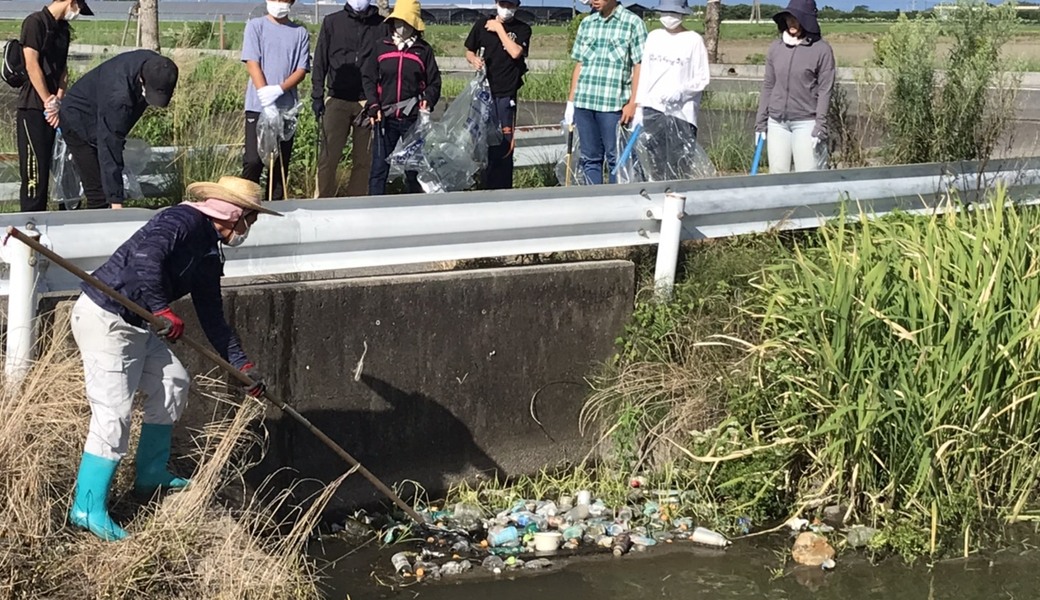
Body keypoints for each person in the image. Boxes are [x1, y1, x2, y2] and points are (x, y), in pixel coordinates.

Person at [68, 176, 278, 542]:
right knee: (113, 414)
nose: (250, 228)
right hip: (106, 317)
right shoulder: (180, 220)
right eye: (251, 219)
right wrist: (163, 310)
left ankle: (150, 473)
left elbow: (213, 316)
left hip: (136, 324)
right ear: (234, 214)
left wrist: (244, 369)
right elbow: (146, 257)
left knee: (173, 381)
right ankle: (87, 506)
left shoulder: (210, 252)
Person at [59, 50, 178, 210]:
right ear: (142, 80)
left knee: (108, 174)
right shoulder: (119, 97)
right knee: (99, 193)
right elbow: (109, 145)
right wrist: (116, 202)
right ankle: (97, 228)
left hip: (103, 109)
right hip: (77, 120)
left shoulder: (155, 65)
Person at [362, 0, 441, 196]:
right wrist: (373, 104)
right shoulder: (381, 47)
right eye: (399, 21)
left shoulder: (423, 51)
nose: (402, 26)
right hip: (385, 118)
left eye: (406, 22)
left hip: (412, 120)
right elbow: (369, 78)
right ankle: (376, 209)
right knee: (379, 169)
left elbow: (434, 83)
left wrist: (428, 99)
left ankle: (413, 211)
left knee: (413, 170)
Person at [17, 0, 89, 213]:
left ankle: (65, 219)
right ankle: (30, 225)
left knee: (65, 168)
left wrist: (58, 100)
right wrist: (47, 100)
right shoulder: (35, 23)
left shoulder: (63, 30)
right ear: (71, 2)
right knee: (34, 174)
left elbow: (63, 71)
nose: (77, 13)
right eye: (78, 8)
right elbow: (31, 64)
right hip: (32, 107)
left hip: (56, 110)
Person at [564, 0, 646, 185]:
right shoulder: (587, 23)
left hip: (613, 105)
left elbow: (640, 65)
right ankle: (593, 204)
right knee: (589, 158)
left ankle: (616, 206)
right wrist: (571, 102)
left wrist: (634, 102)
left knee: (616, 159)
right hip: (584, 102)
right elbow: (580, 63)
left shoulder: (632, 23)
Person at [312, 0, 384, 198]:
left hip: (367, 102)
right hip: (336, 98)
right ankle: (322, 202)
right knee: (328, 157)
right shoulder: (332, 22)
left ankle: (357, 202)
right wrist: (317, 94)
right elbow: (320, 60)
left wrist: (377, 101)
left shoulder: (381, 25)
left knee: (363, 160)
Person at [753, 0, 835, 173]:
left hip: (806, 123)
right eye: (788, 18)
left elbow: (825, 90)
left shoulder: (822, 50)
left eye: (797, 18)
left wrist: (820, 125)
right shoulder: (776, 48)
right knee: (777, 177)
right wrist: (760, 122)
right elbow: (768, 85)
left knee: (808, 179)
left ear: (808, 21)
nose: (792, 22)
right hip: (777, 123)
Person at [241, 0, 311, 201]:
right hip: (258, 106)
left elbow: (301, 69)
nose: (280, 3)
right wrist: (265, 96)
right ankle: (246, 204)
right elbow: (252, 62)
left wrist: (279, 89)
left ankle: (276, 206)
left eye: (285, 0)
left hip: (286, 109)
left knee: (279, 163)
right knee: (253, 160)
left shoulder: (299, 33)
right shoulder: (256, 26)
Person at [633, 0, 709, 181]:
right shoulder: (654, 37)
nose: (669, 17)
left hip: (681, 114)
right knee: (654, 163)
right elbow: (645, 73)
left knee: (678, 166)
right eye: (665, 12)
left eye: (673, 13)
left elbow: (702, 77)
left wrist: (682, 92)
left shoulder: (693, 40)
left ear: (683, 14)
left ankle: (676, 203)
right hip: (652, 110)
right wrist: (639, 106)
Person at [464, 0, 531, 190]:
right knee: (482, 141)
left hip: (506, 93)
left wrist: (500, 29)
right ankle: (483, 185)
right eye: (504, 4)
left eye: (511, 5)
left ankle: (503, 188)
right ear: (496, 3)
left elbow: (516, 52)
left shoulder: (522, 28)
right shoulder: (481, 25)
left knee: (504, 144)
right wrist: (473, 60)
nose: (507, 9)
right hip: (484, 93)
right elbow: (469, 51)